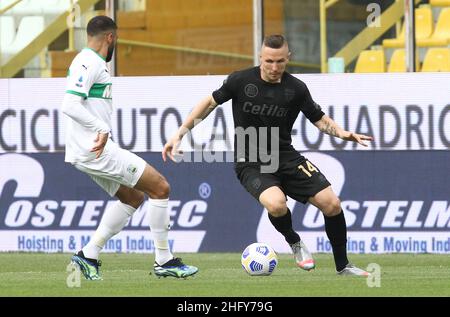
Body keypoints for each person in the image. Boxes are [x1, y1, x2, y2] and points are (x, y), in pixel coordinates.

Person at [163, 34, 373, 276]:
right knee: (276, 204)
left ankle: (343, 266)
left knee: (332, 204)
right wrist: (180, 133)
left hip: (286, 156)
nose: (274, 68)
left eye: (280, 62)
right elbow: (209, 103)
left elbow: (319, 120)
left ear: (288, 58)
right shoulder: (240, 81)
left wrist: (343, 133)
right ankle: (295, 242)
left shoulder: (296, 89)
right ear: (260, 57)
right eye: (269, 61)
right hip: (251, 162)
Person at [62, 16, 197, 280]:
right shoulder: (89, 62)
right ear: (110, 38)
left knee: (133, 197)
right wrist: (101, 129)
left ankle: (88, 255)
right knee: (160, 187)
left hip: (87, 151)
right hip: (95, 149)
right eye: (116, 39)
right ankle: (164, 260)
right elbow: (69, 104)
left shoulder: (88, 61)